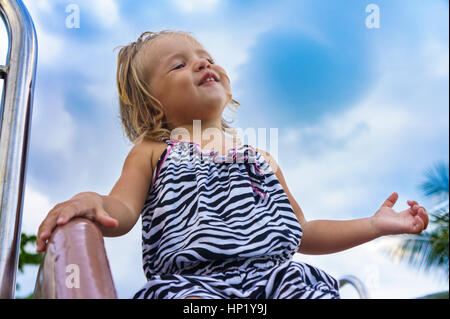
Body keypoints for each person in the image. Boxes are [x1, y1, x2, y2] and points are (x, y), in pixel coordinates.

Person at [36, 30, 429, 299]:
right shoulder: (154, 151)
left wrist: (375, 225)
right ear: (151, 105)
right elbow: (121, 209)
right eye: (179, 65)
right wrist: (93, 201)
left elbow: (303, 232)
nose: (203, 64)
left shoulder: (261, 161)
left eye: (207, 58)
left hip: (277, 281)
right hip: (193, 288)